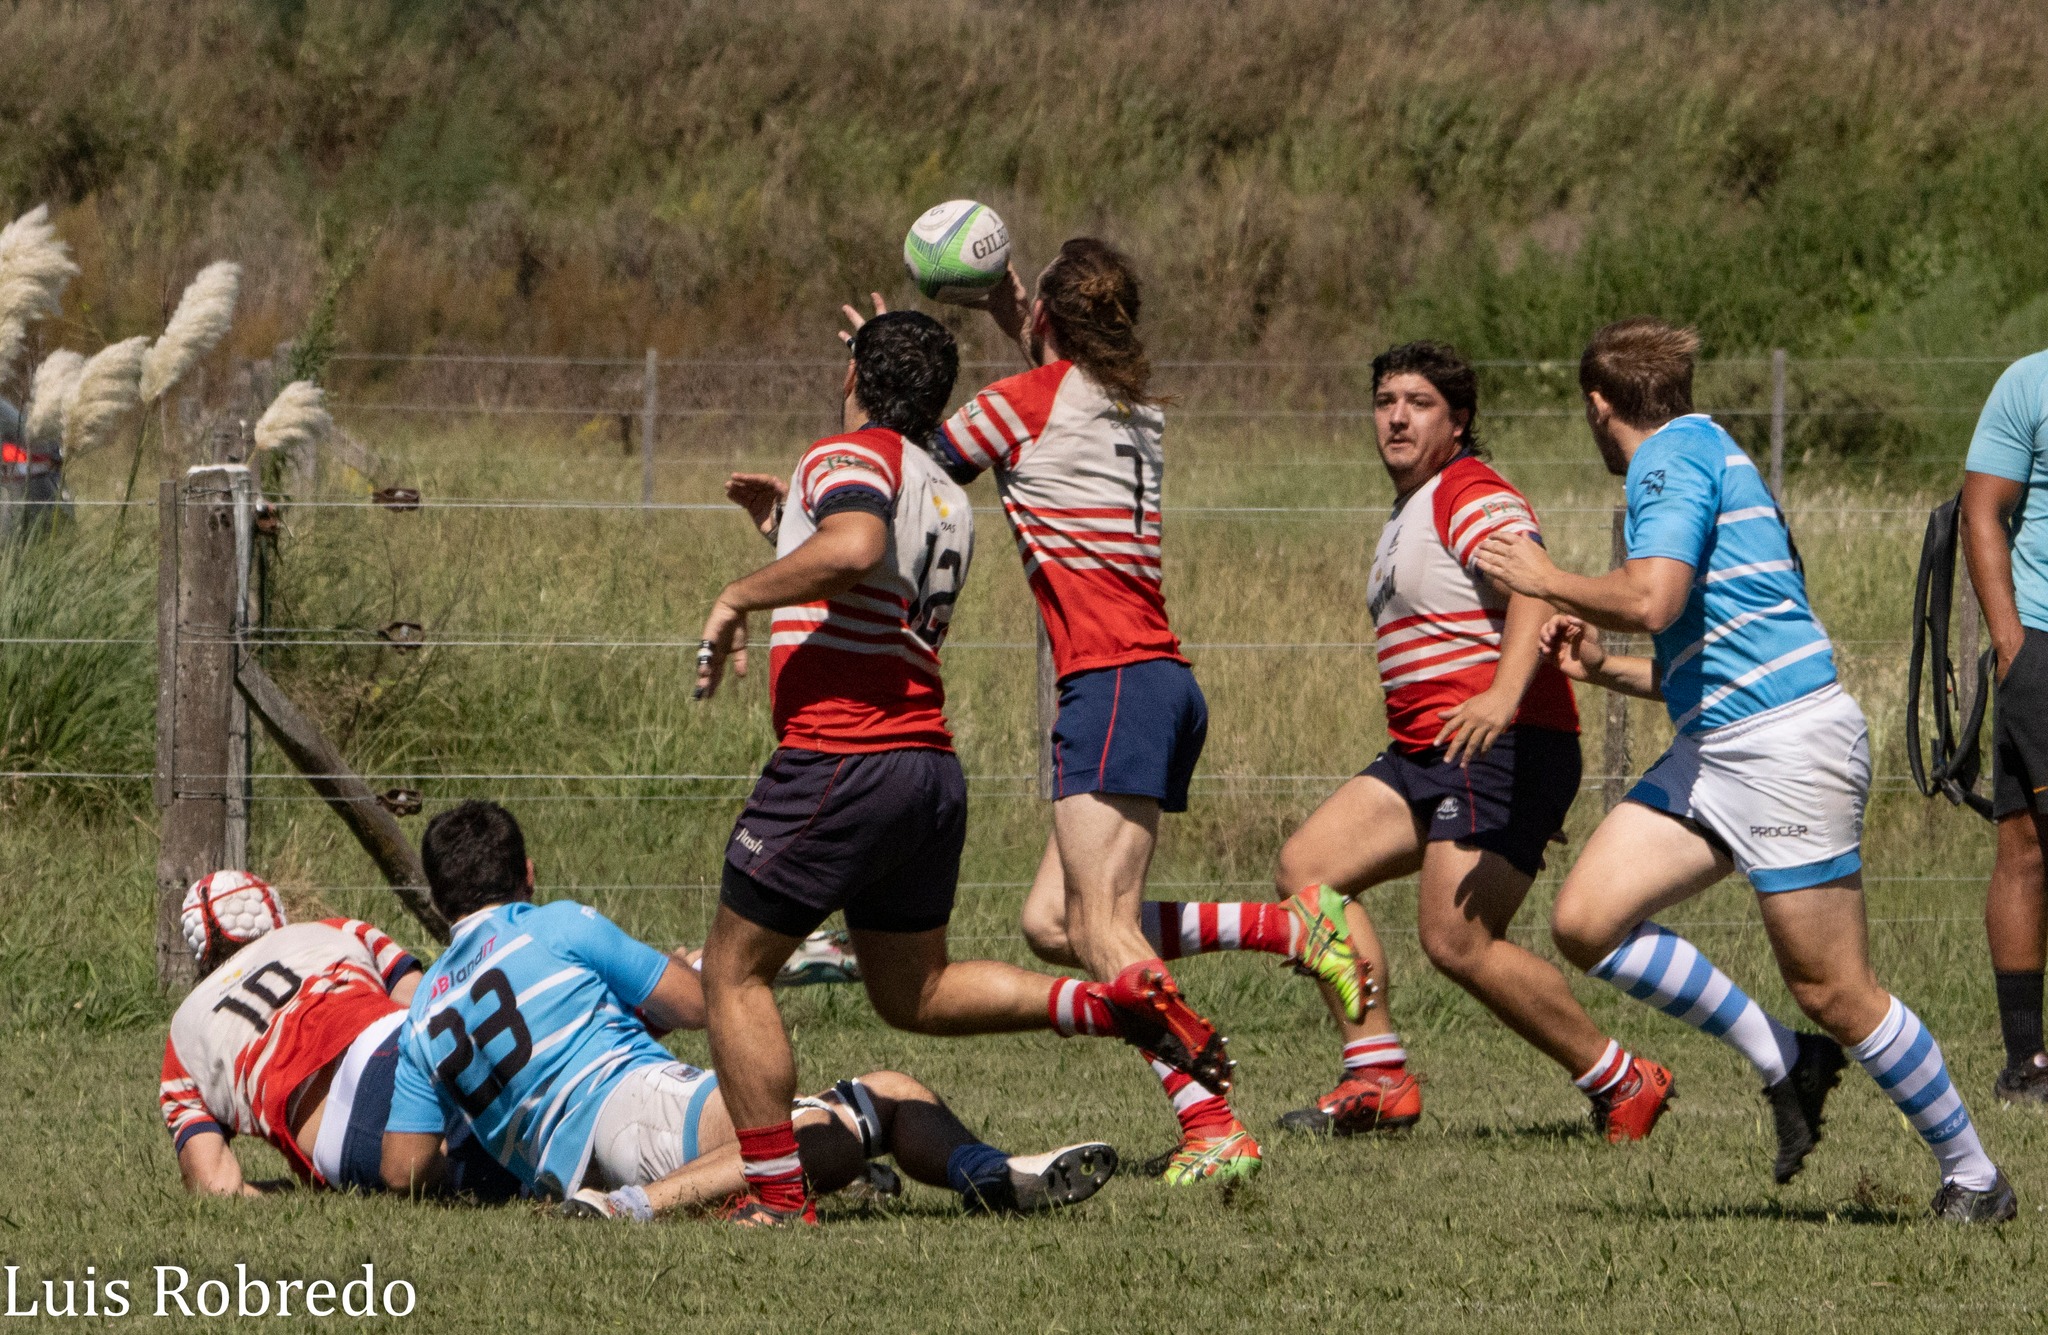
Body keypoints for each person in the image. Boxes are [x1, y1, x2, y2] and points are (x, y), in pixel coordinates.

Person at [841, 239, 1363, 1186]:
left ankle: (1213, 1127)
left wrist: (883, 366)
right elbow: (1053, 394)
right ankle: (1288, 930)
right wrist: (1018, 312)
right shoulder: (1134, 408)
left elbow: (916, 466)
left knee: (1106, 928)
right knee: (1056, 921)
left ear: (1047, 321)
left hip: (1111, 681)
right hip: (1154, 680)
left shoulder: (1024, 405)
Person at [1475, 316, 2016, 1222]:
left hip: (1785, 751)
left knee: (1836, 988)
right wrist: (1606, 669)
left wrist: (1545, 576)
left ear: (1600, 406)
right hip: (1722, 747)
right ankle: (1786, 1060)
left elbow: (1654, 597)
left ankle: (1974, 1174)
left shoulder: (1668, 460)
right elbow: (1712, 654)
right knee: (1586, 918)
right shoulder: (1707, 449)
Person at [690, 310, 1173, 1224]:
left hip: (841, 755)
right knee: (914, 990)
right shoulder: (942, 487)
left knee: (734, 971)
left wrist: (737, 594)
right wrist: (787, 532)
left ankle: (778, 1197)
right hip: (924, 768)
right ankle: (1103, 1003)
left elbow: (859, 549)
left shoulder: (844, 456)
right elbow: (869, 573)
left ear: (853, 379)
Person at [1256, 340, 1669, 1142]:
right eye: (1385, 401)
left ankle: (1625, 1082)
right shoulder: (1411, 509)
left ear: (1460, 420)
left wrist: (1502, 695)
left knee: (1457, 941)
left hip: (1505, 743)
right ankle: (1376, 1074)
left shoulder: (1468, 490)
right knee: (1308, 870)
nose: (1398, 416)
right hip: (1427, 750)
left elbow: (1532, 583)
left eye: (1419, 403)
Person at [379, 801, 1117, 1224]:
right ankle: (634, 1207)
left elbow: (404, 1170)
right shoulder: (560, 923)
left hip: (561, 1162)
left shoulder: (422, 1018)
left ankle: (982, 1176)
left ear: (440, 900)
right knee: (878, 1099)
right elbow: (701, 1003)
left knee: (822, 1144)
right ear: (527, 874)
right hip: (637, 1101)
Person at [160, 870, 513, 1201]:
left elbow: (216, 1186)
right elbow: (421, 1000)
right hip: (408, 1041)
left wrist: (280, 1191)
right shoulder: (336, 929)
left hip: (341, 1134)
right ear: (277, 916)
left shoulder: (183, 1034)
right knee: (529, 1121)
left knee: (491, 1177)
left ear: (200, 956)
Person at [1959, 347, 2048, 1105]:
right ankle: (2028, 1063)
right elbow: (1981, 508)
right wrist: (2011, 642)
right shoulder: (2030, 382)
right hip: (2042, 643)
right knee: (2022, 845)